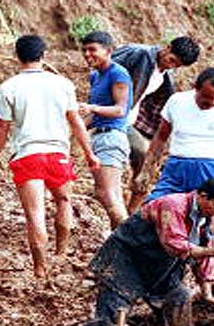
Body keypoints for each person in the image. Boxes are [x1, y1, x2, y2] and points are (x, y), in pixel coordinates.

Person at [89, 177, 214, 326]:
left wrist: (207, 290)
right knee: (114, 311)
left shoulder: (210, 218)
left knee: (179, 296)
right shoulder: (172, 205)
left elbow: (207, 253)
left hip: (161, 266)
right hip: (126, 260)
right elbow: (174, 244)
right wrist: (212, 251)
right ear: (202, 195)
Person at [0, 34, 98, 277]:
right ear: (44, 55)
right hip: (58, 153)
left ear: (17, 56)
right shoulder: (62, 84)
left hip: (27, 155)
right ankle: (61, 253)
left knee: (35, 213)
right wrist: (89, 153)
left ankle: (39, 268)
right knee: (63, 201)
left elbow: (1, 129)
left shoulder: (8, 87)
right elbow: (76, 122)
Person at [133, 67, 214, 210]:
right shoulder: (177, 101)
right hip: (177, 168)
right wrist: (146, 170)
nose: (212, 103)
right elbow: (161, 138)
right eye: (207, 97)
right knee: (154, 208)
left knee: (206, 219)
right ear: (196, 88)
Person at [111, 36, 201, 212]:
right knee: (122, 159)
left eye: (177, 65)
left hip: (127, 120)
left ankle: (131, 210)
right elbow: (104, 67)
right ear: (167, 48)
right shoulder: (139, 54)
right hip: (111, 116)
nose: (171, 66)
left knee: (145, 161)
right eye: (172, 60)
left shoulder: (165, 74)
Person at [77, 31, 133, 227]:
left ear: (109, 51)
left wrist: (92, 108)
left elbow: (120, 109)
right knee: (113, 196)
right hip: (100, 136)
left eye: (93, 50)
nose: (87, 54)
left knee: (106, 194)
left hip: (111, 137)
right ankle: (122, 245)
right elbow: (97, 115)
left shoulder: (118, 74)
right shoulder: (96, 76)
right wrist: (76, 128)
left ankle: (128, 242)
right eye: (84, 50)